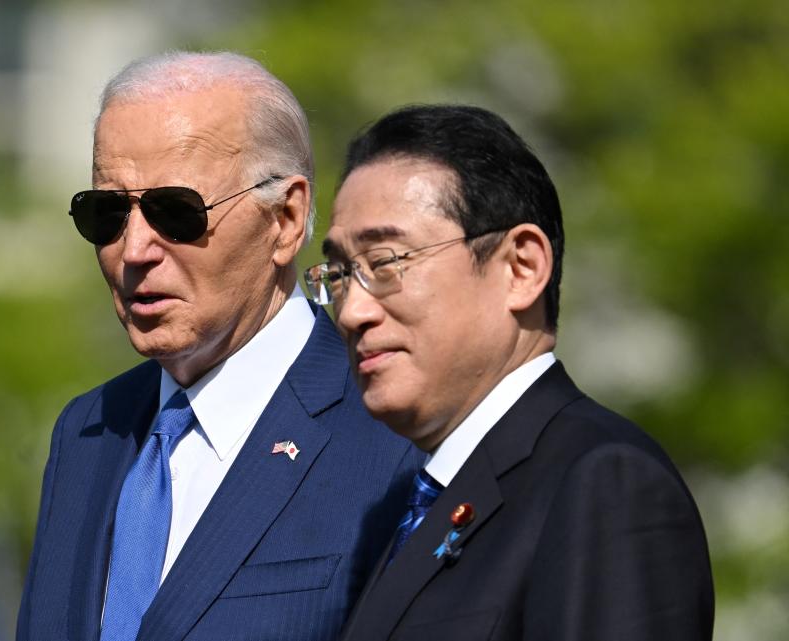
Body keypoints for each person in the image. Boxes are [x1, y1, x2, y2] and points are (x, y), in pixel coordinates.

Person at [16, 51, 420, 641]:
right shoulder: (87, 431)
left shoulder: (389, 431)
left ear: (285, 218)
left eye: (174, 212)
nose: (134, 251)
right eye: (106, 213)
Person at [304, 104, 714, 641]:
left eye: (385, 263)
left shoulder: (604, 482)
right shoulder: (406, 506)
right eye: (339, 273)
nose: (352, 311)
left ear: (521, 267)